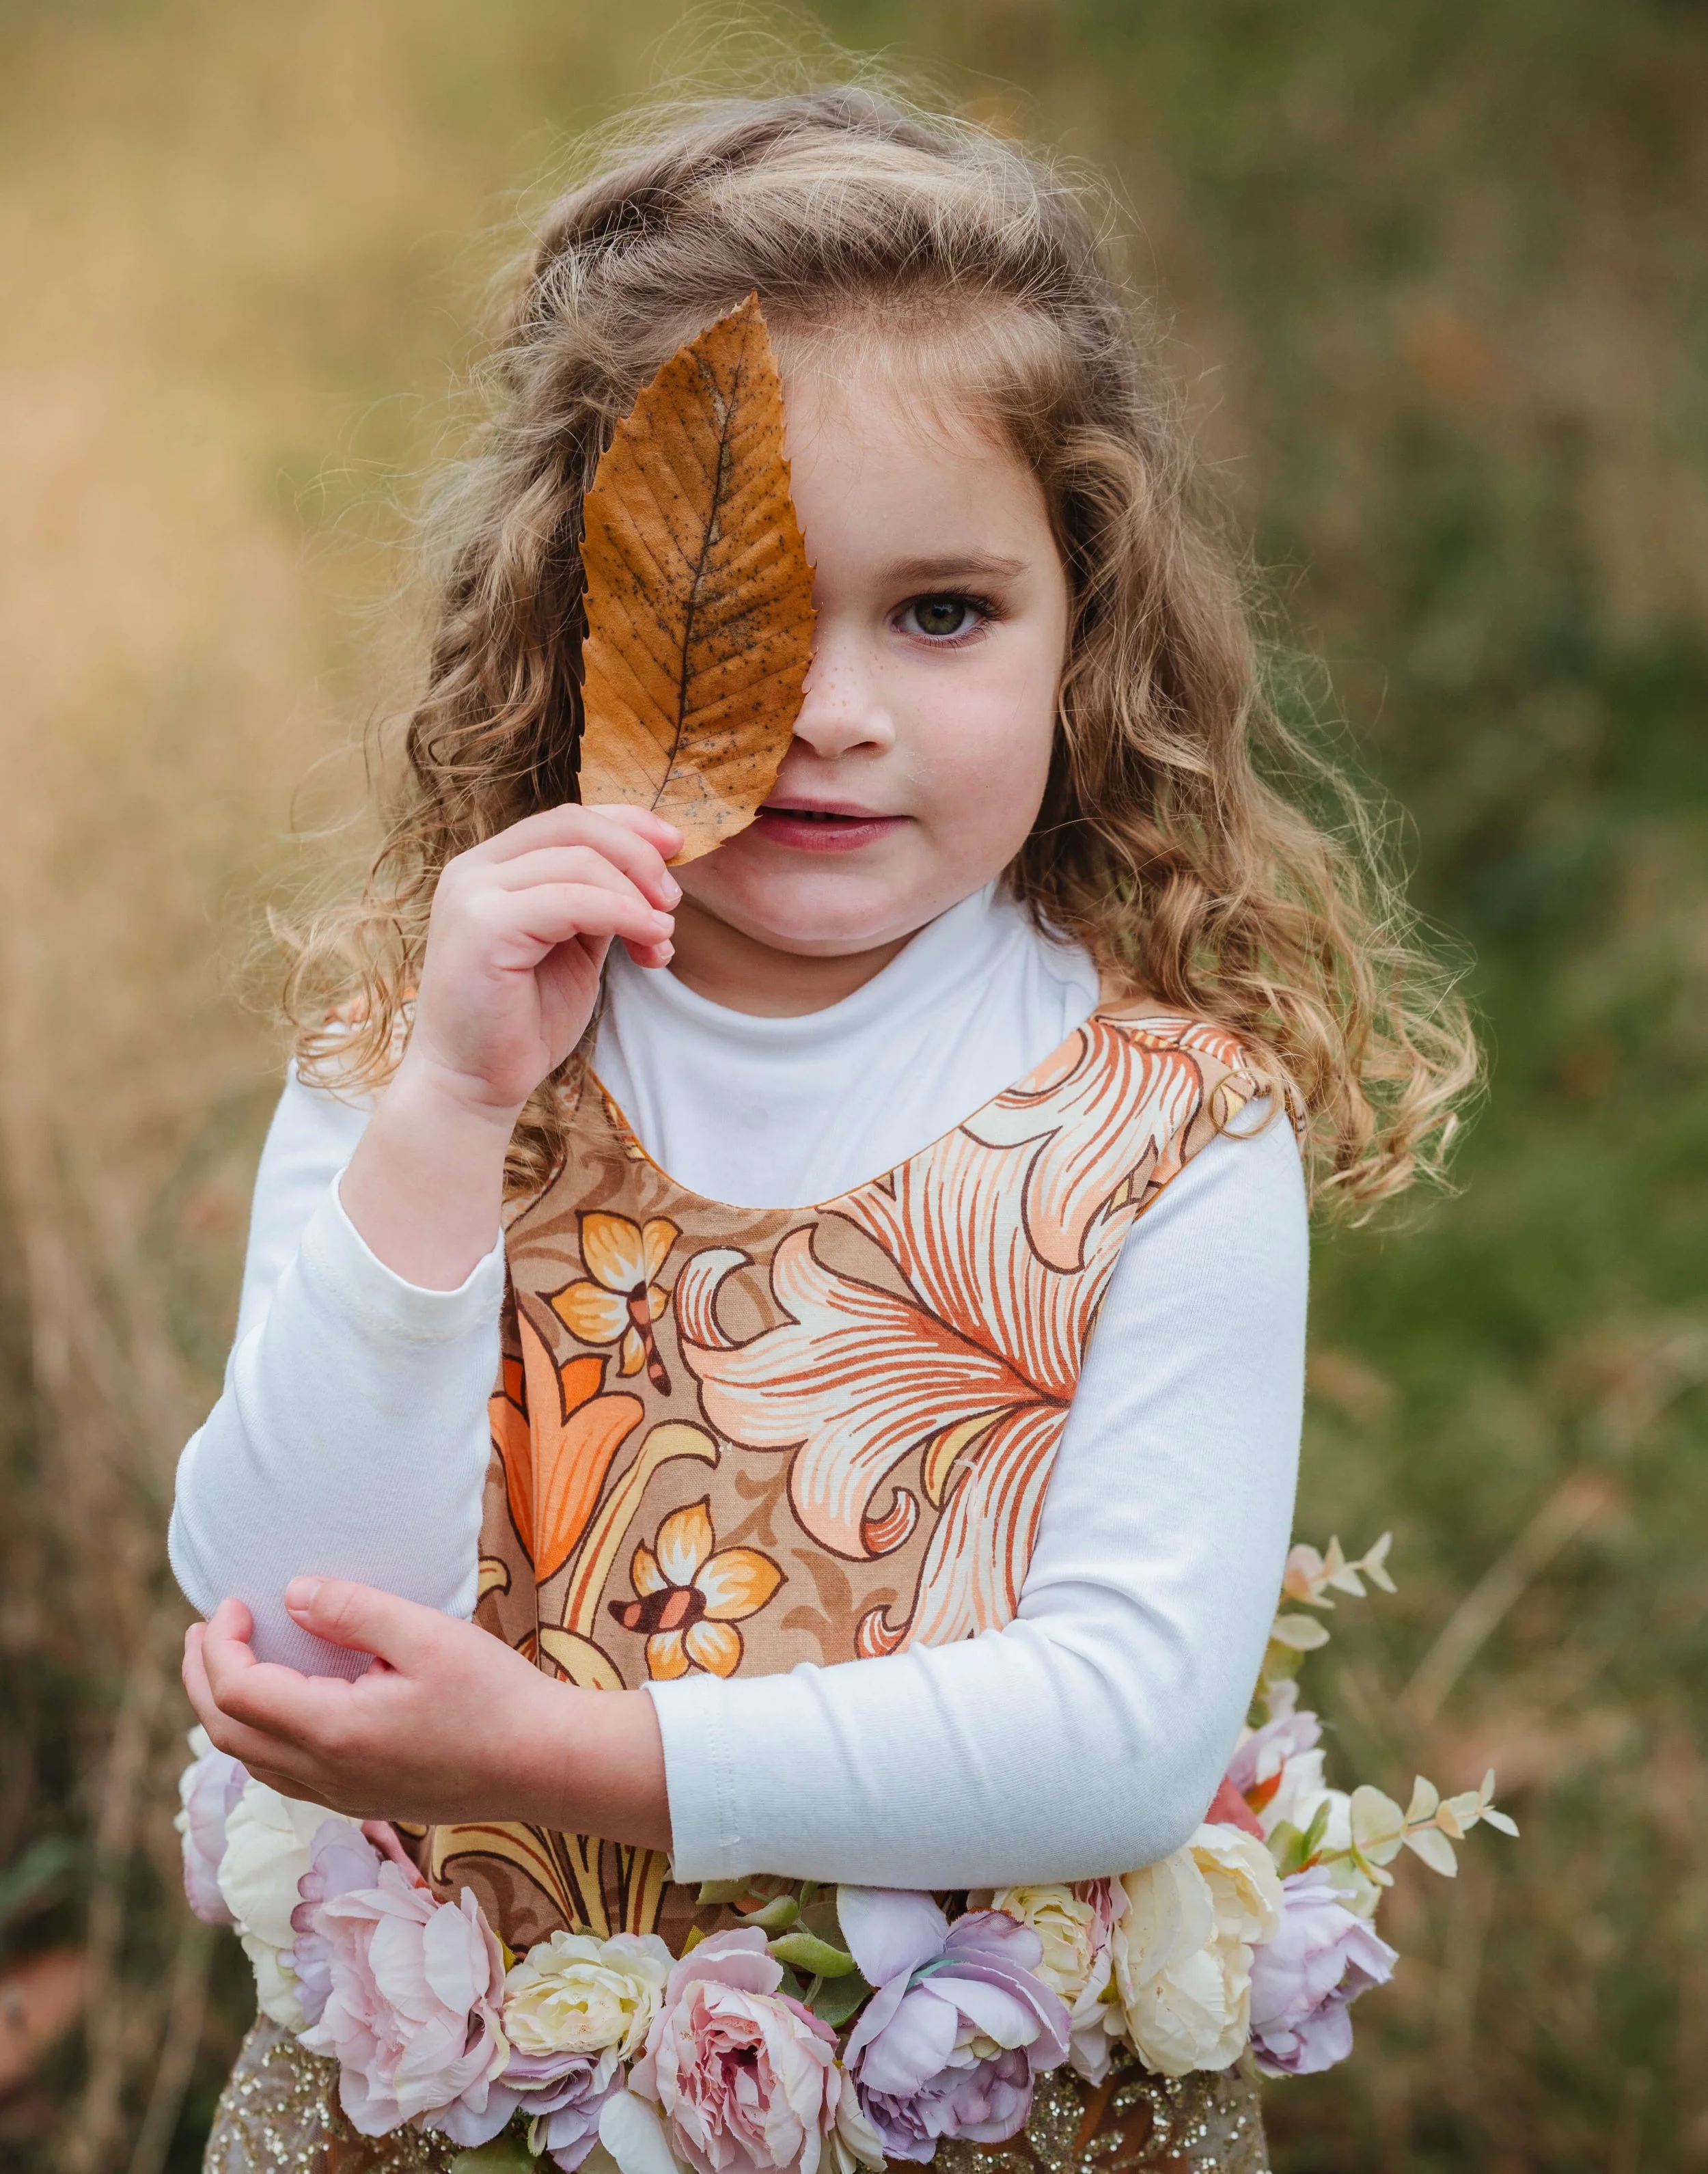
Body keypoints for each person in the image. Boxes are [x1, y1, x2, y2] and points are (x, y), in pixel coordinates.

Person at [172, 85, 1474, 2174]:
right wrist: (444, 1109)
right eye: (739, 606)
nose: (830, 708)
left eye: (940, 611)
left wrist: (567, 1755)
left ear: (1087, 628)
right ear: (579, 613)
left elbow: (1123, 1728)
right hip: (457, 2121)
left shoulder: (1162, 1123)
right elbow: (293, 1626)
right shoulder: (429, 1042)